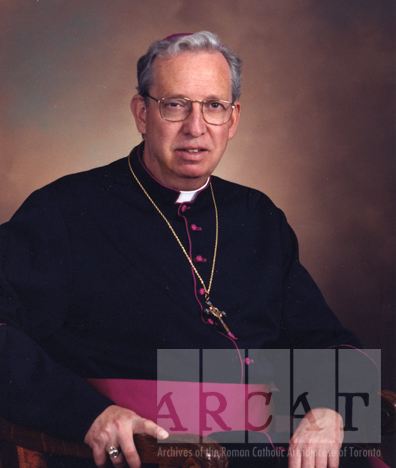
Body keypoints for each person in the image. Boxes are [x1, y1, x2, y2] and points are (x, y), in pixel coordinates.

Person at [0, 31, 377, 468]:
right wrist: (90, 415)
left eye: (213, 106)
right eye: (175, 105)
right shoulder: (63, 211)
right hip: (154, 455)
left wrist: (328, 408)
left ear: (233, 120)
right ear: (142, 114)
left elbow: (325, 341)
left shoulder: (258, 216)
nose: (195, 128)